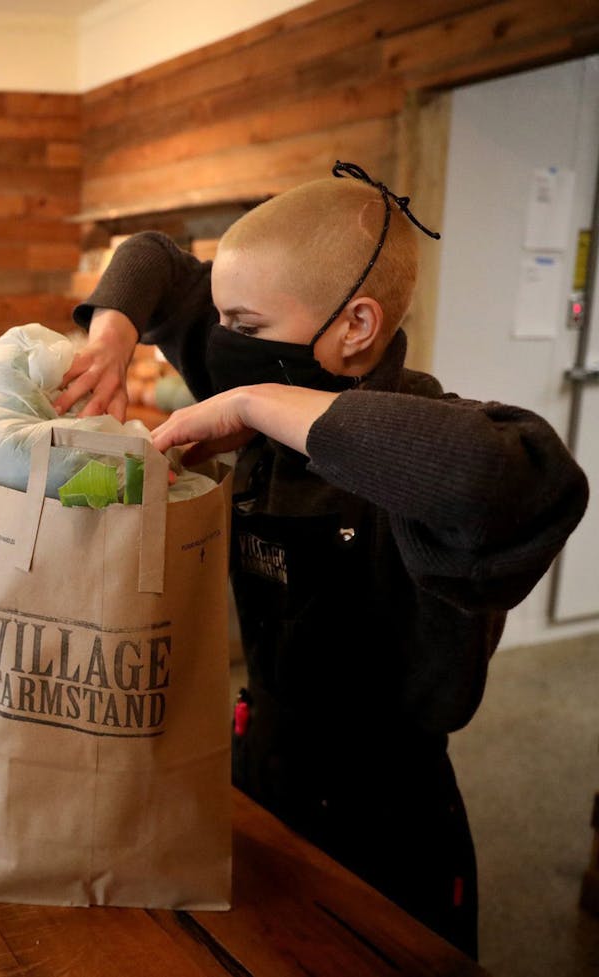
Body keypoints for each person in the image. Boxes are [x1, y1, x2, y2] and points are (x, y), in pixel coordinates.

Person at [56, 162, 589, 956]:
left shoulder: (426, 439)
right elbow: (154, 259)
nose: (222, 340)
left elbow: (522, 474)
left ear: (356, 325)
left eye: (246, 321)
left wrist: (251, 406)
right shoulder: (268, 348)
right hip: (263, 759)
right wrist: (110, 338)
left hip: (386, 815)